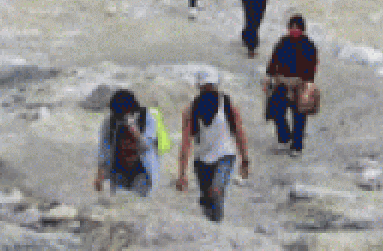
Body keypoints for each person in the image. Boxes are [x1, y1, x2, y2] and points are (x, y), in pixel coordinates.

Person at [176, 69, 250, 222]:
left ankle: (218, 226)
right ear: (201, 88)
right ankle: (213, 228)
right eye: (206, 87)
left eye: (211, 86)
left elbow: (239, 132)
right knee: (207, 202)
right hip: (201, 162)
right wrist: (182, 173)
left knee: (216, 191)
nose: (209, 89)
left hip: (225, 157)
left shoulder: (227, 104)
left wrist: (245, 159)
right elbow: (185, 143)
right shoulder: (190, 110)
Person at [264, 14, 318, 157]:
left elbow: (312, 67)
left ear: (302, 29)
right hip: (281, 83)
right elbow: (273, 59)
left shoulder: (308, 45)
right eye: (292, 27)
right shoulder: (283, 42)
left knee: (299, 116)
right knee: (276, 112)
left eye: (297, 27)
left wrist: (306, 83)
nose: (294, 30)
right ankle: (285, 137)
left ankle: (297, 145)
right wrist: (270, 76)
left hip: (299, 85)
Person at [94, 89, 160, 196]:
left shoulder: (147, 118)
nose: (119, 118)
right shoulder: (109, 121)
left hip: (142, 171)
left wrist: (133, 127)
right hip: (118, 171)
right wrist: (99, 177)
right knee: (120, 204)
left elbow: (147, 146)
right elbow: (103, 150)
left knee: (140, 203)